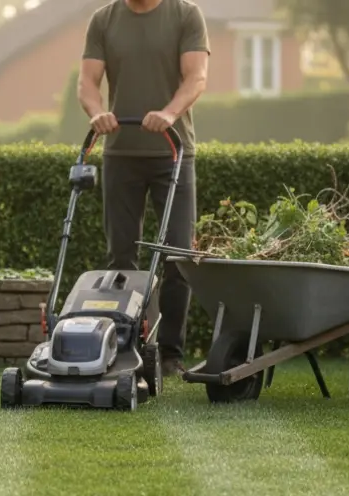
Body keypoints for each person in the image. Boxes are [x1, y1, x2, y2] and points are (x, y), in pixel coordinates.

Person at [78, 0, 209, 376]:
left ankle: (170, 354)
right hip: (121, 153)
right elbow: (87, 81)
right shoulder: (104, 20)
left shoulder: (185, 15)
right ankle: (126, 346)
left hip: (173, 153)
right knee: (120, 257)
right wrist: (96, 112)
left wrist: (169, 113)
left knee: (178, 255)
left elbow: (196, 76)